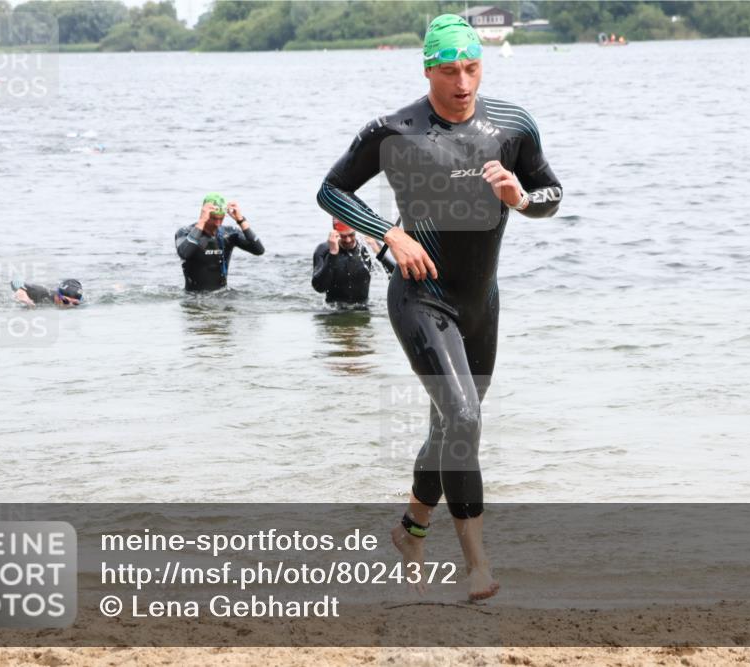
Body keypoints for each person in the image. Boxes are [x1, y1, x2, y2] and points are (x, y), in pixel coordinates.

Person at [316, 14, 562, 601]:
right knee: (466, 420)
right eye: (449, 70)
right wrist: (386, 235)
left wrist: (520, 199)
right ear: (428, 69)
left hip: (482, 302)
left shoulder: (513, 126)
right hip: (420, 296)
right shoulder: (395, 130)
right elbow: (331, 190)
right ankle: (478, 565)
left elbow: (553, 193)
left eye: (472, 67)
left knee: (451, 425)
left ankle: (410, 530)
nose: (462, 82)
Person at [175, 193, 264, 292]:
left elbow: (259, 250)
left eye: (221, 218)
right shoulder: (185, 232)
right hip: (194, 298)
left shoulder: (229, 234)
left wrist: (241, 220)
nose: (218, 223)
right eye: (214, 218)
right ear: (205, 214)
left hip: (222, 295)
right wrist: (202, 221)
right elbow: (184, 253)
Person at [312, 218, 396, 307]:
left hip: (363, 308)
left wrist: (380, 255)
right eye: (343, 236)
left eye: (351, 235)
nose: (348, 240)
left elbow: (395, 275)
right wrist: (333, 254)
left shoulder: (368, 247)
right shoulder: (324, 250)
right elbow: (319, 287)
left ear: (356, 230)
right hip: (333, 310)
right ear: (335, 233)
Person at [11, 278, 83, 307]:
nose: (70, 306)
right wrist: (21, 292)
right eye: (65, 301)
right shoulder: (40, 292)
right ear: (58, 295)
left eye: (75, 303)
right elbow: (15, 281)